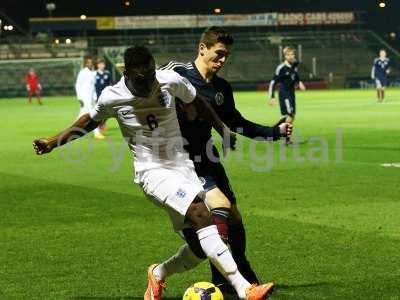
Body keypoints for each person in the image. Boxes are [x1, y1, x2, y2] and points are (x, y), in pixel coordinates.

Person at [33, 46, 275, 300]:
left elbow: (198, 102)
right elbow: (87, 122)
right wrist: (52, 142)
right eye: (142, 78)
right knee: (201, 212)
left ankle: (157, 274)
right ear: (126, 72)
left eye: (151, 74)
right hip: (152, 172)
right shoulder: (112, 96)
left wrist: (221, 128)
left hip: (183, 167)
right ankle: (244, 288)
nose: (149, 82)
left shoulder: (167, 80)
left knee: (199, 248)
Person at [160, 27, 293, 293]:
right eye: (218, 54)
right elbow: (146, 90)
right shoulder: (177, 72)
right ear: (202, 48)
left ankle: (238, 268)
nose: (222, 60)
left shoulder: (221, 88)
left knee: (234, 218)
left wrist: (274, 132)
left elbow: (237, 123)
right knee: (217, 209)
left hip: (208, 159)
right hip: (181, 162)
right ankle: (231, 279)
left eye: (227, 56)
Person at [268, 46, 305, 144]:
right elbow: (273, 82)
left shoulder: (294, 65)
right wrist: (271, 97)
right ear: (285, 56)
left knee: (291, 116)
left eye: (293, 54)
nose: (292, 56)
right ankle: (285, 140)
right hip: (284, 94)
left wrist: (299, 82)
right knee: (290, 115)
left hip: (292, 94)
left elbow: (295, 75)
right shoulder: (281, 68)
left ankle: (271, 132)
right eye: (289, 54)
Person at [75, 55, 105, 139]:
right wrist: (79, 98)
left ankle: (72, 131)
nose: (89, 64)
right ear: (85, 63)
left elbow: (93, 86)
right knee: (93, 115)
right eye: (88, 62)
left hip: (91, 98)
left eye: (91, 62)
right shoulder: (82, 72)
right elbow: (78, 85)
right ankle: (97, 133)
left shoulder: (92, 73)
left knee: (81, 115)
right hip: (84, 98)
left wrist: (95, 97)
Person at [94, 58, 112, 134]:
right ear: (97, 65)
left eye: (102, 64)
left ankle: (103, 123)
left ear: (104, 65)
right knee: (98, 112)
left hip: (106, 96)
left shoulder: (107, 73)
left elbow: (111, 84)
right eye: (99, 64)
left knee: (108, 112)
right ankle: (99, 125)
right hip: (97, 96)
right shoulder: (94, 74)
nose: (101, 65)